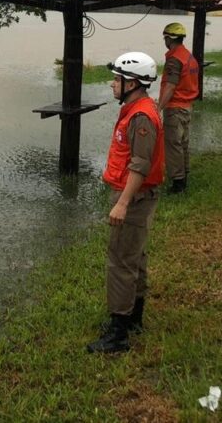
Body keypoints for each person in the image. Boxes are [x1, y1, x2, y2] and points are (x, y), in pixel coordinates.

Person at [87, 52, 165, 354]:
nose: (112, 84)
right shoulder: (137, 108)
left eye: (117, 79)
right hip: (134, 196)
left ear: (132, 83)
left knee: (120, 262)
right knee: (134, 257)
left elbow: (140, 164)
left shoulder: (141, 115)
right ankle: (133, 318)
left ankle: (118, 336)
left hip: (133, 197)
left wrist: (122, 203)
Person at [158, 22, 200, 194]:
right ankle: (184, 175)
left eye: (165, 38)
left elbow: (170, 86)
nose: (165, 41)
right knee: (182, 144)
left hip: (175, 108)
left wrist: (158, 107)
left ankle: (178, 183)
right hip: (187, 106)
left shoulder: (175, 59)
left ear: (169, 38)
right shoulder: (188, 56)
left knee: (173, 145)